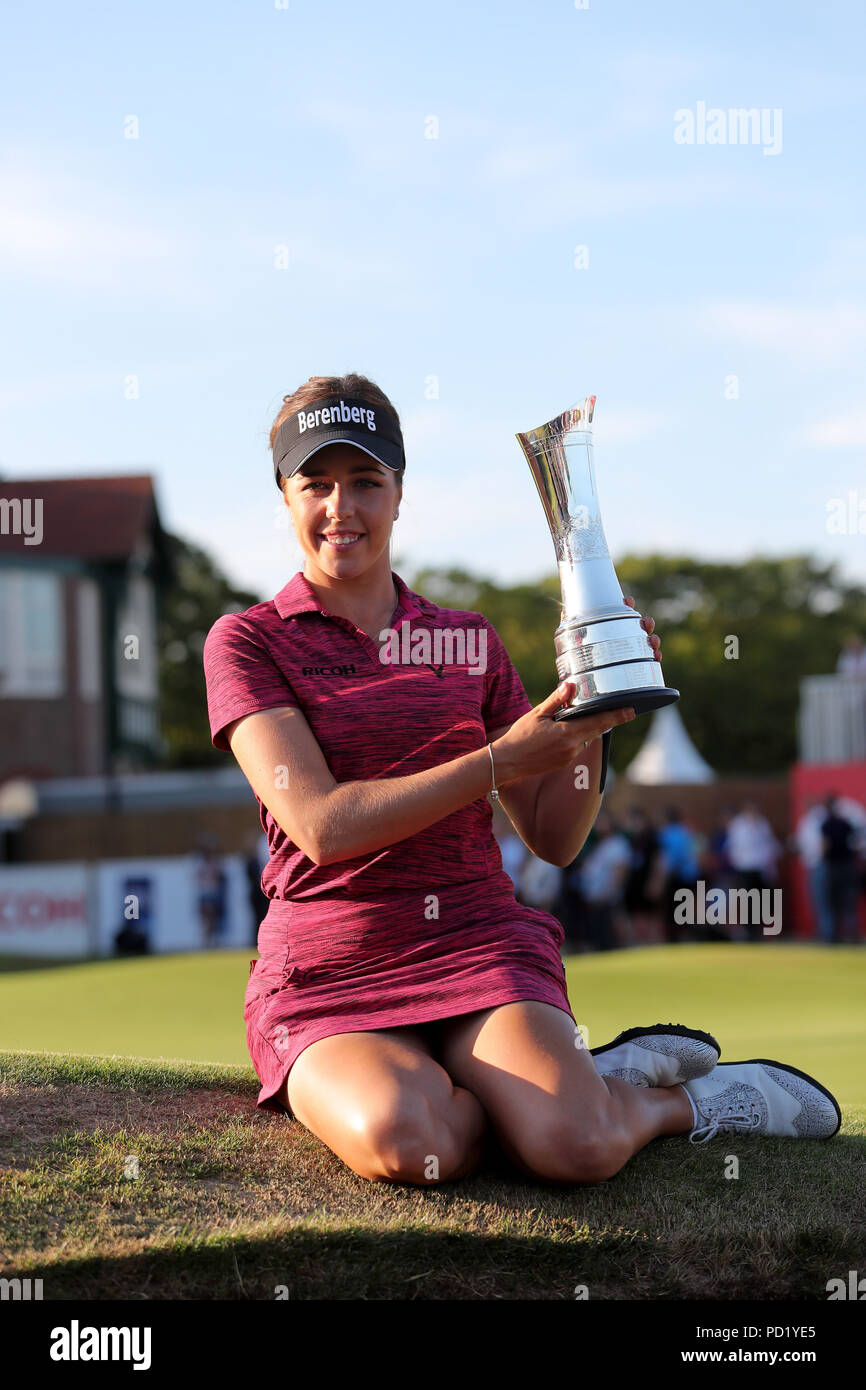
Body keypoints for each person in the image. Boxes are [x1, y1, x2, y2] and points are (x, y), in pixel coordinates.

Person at [202, 371, 840, 1188]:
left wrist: (589, 721)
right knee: (406, 1143)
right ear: (285, 496)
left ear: (399, 492)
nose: (342, 508)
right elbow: (324, 828)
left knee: (578, 1148)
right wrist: (502, 760)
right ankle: (541, 1090)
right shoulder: (247, 641)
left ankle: (682, 1099)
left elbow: (554, 836)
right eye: (316, 484)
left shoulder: (465, 639)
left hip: (475, 940)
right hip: (332, 969)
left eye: (366, 481)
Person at [572, 811, 632, 951]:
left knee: (609, 935)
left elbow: (620, 871)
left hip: (607, 899)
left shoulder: (617, 844)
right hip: (595, 898)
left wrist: (610, 893)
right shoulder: (600, 845)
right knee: (598, 935)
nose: (598, 826)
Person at [725, 801, 783, 943]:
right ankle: (749, 930)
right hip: (745, 868)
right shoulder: (738, 825)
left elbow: (769, 844)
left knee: (762, 900)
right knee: (747, 901)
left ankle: (759, 930)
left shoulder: (763, 824)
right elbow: (733, 847)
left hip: (761, 868)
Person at [820, 794, 861, 943]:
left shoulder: (826, 824)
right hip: (848, 865)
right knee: (849, 903)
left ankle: (833, 936)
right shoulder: (846, 824)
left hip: (833, 867)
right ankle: (852, 935)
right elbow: (855, 842)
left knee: (832, 902)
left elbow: (825, 845)